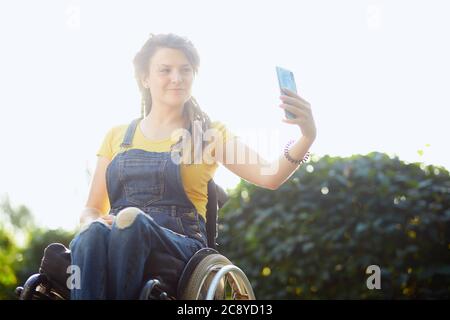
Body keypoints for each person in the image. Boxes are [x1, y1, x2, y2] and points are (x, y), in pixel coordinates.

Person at [69, 33, 317, 300]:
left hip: (181, 247)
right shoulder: (116, 136)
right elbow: (92, 208)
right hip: (115, 236)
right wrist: (94, 220)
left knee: (132, 221)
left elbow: (269, 175)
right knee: (92, 234)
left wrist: (307, 136)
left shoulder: (208, 134)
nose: (176, 78)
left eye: (185, 70)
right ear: (145, 78)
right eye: (165, 70)